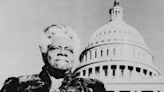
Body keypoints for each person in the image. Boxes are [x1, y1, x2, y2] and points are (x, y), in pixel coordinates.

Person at [0, 24, 106, 92]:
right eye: (56, 48)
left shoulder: (93, 88)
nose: (63, 53)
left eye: (68, 50)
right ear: (45, 53)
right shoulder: (17, 86)